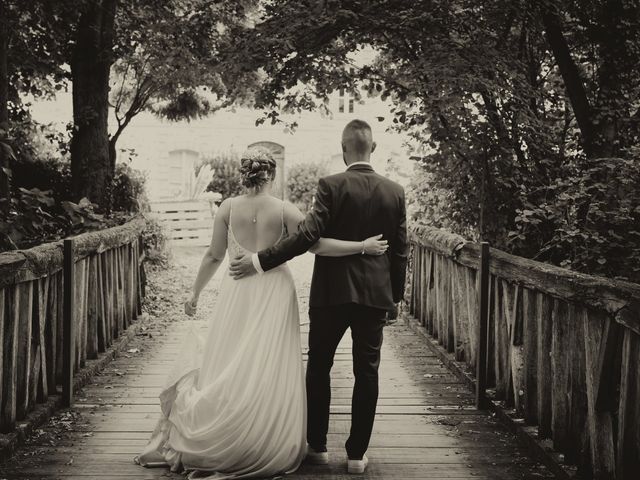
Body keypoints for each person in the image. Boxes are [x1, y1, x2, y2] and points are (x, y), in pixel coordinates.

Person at [134, 146, 389, 479]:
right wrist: (362, 247)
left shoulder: (227, 207)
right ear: (272, 174)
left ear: (246, 173)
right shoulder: (284, 209)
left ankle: (227, 429)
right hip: (274, 292)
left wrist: (194, 292)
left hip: (237, 291)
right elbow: (318, 244)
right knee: (267, 362)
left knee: (233, 360)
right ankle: (263, 436)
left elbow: (213, 256)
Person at [230, 119, 409, 474]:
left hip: (331, 294)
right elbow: (401, 250)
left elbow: (307, 237)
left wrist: (259, 261)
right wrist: (396, 298)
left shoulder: (331, 185)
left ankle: (318, 448)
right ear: (373, 148)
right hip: (375, 295)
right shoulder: (395, 191)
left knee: (319, 367)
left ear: (343, 149)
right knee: (367, 371)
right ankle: (357, 456)